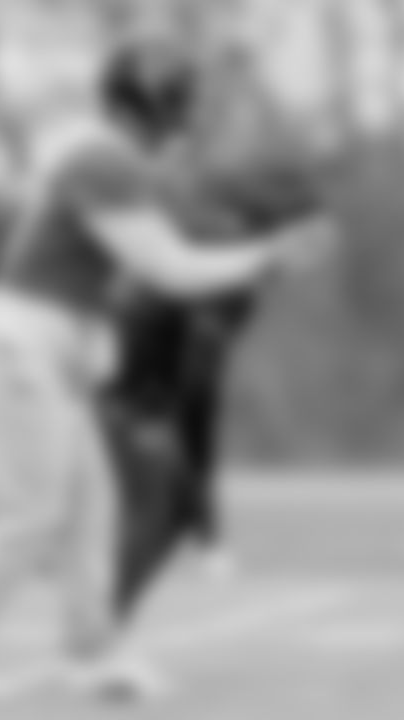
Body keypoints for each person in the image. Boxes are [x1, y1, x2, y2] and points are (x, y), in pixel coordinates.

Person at [0, 42, 333, 706]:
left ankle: (92, 655)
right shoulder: (106, 159)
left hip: (44, 344)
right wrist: (265, 256)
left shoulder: (108, 157)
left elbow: (160, 240)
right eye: (183, 98)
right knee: (30, 513)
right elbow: (171, 267)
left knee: (91, 510)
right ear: (158, 103)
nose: (190, 112)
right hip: (18, 342)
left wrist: (251, 243)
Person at [107, 160, 327, 614]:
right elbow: (197, 386)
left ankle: (97, 619)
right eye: (314, 238)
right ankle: (98, 621)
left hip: (121, 382)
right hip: (114, 385)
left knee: (157, 495)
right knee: (161, 497)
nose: (320, 252)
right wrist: (209, 528)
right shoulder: (235, 267)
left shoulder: (229, 248)